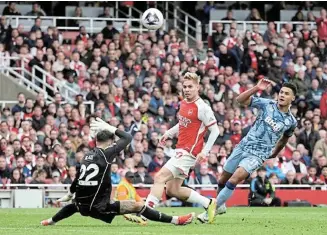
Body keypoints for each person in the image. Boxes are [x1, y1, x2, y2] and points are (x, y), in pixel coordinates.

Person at [40, 118, 195, 226]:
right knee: (138, 206)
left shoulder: (86, 156)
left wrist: (70, 192)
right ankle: (176, 220)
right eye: (112, 143)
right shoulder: (107, 154)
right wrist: (110, 127)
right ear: (109, 143)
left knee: (74, 206)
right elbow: (127, 137)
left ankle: (50, 221)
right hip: (99, 207)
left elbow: (78, 178)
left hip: (82, 204)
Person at [198, 80, 297, 222]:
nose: (282, 95)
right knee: (222, 180)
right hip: (243, 146)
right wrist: (256, 88)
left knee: (234, 179)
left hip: (258, 154)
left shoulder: (291, 122)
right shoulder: (267, 104)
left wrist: (275, 153)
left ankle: (209, 212)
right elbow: (239, 100)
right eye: (281, 92)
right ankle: (220, 206)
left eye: (286, 94)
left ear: (292, 98)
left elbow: (284, 140)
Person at [132, 72, 219, 224]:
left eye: (190, 87)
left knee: (160, 177)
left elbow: (215, 130)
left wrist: (204, 152)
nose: (186, 89)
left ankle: (144, 215)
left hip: (189, 152)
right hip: (180, 149)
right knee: (173, 190)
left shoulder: (202, 107)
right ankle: (208, 203)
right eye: (184, 86)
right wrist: (169, 133)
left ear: (198, 87)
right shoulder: (184, 103)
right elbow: (183, 124)